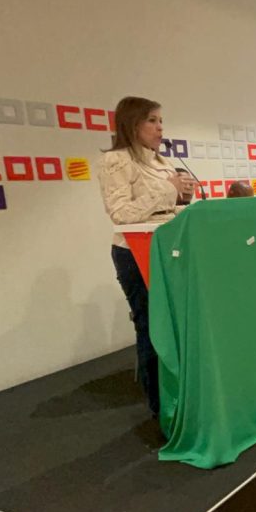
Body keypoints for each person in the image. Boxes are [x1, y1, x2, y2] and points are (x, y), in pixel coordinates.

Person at [99, 96, 195, 416]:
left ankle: (182, 391)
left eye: (160, 120)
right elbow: (122, 213)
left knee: (178, 325)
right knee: (153, 327)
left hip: (170, 248)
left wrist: (184, 198)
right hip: (136, 252)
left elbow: (167, 209)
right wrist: (168, 191)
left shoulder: (162, 161)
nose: (160, 127)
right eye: (152, 120)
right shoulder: (116, 160)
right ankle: (161, 407)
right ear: (132, 123)